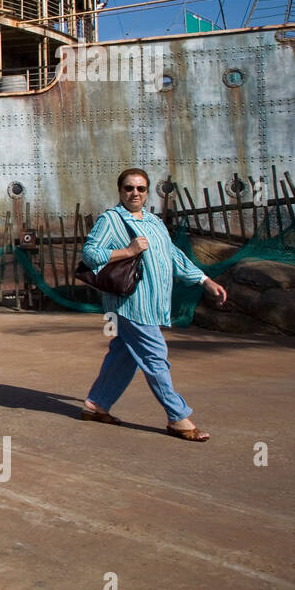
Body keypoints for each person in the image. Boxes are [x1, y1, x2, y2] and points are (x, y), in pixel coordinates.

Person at [80, 167, 227, 442]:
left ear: (147, 192)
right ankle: (177, 417)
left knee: (124, 354)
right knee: (155, 357)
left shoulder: (153, 221)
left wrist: (204, 280)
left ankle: (97, 404)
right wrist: (128, 251)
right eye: (128, 188)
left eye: (140, 188)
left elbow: (173, 255)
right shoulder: (111, 219)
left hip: (152, 302)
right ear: (120, 190)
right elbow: (89, 254)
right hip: (130, 303)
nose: (134, 193)